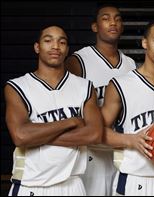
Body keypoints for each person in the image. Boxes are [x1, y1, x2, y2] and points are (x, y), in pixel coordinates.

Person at [4, 25, 103, 196]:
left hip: (73, 185)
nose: (55, 46)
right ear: (37, 47)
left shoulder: (85, 87)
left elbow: (94, 134)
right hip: (32, 185)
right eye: (48, 40)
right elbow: (20, 136)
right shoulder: (17, 86)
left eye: (62, 42)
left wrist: (37, 135)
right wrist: (70, 122)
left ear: (67, 50)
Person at [101, 20, 154, 196]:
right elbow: (96, 132)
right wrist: (130, 140)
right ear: (144, 43)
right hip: (136, 179)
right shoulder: (120, 85)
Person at [65, 4, 136, 196]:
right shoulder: (78, 61)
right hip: (90, 153)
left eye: (117, 19)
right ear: (95, 26)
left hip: (121, 151)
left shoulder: (130, 64)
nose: (113, 22)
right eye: (106, 18)